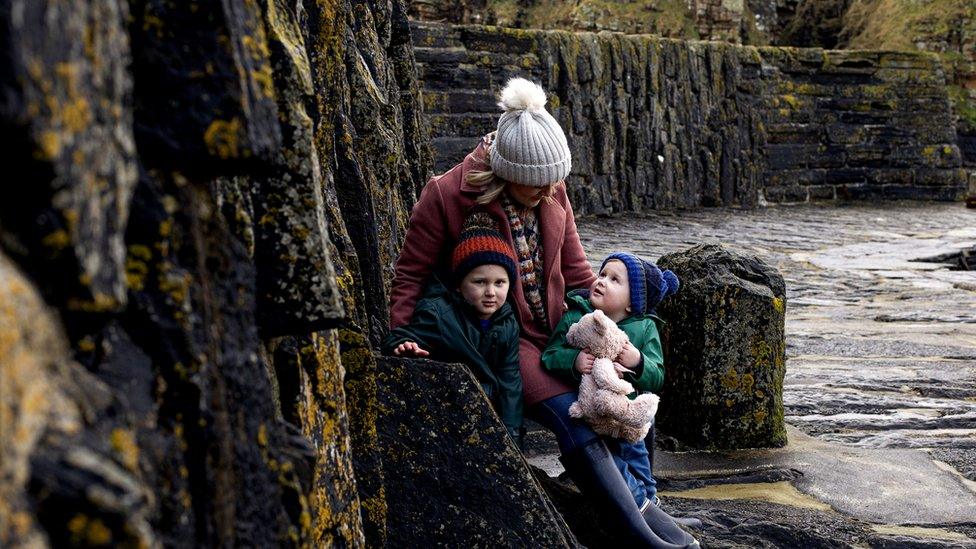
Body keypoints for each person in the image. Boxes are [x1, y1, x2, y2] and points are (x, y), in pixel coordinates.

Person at [389, 77, 694, 547]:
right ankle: (638, 538)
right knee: (572, 414)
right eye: (539, 184)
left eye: (555, 180)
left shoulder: (550, 184)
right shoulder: (446, 196)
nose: (551, 189)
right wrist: (400, 337)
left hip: (558, 331)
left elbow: (575, 273)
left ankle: (651, 511)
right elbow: (409, 275)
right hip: (502, 341)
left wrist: (605, 334)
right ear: (506, 171)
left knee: (624, 399)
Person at [542, 253, 700, 544]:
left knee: (639, 466)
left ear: (632, 302)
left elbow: (656, 376)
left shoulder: (644, 328)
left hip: (628, 417)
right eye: (602, 274)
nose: (601, 281)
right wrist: (574, 360)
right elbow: (549, 356)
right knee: (613, 463)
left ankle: (650, 507)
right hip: (594, 411)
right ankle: (635, 513)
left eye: (614, 279)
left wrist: (637, 360)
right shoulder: (576, 316)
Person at [382, 211, 524, 446]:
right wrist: (403, 346)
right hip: (448, 409)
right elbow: (399, 336)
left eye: (500, 283)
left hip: (488, 411)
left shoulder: (507, 322)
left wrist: (512, 437)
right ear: (459, 285)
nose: (491, 292)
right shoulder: (438, 315)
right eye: (480, 282)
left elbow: (510, 383)